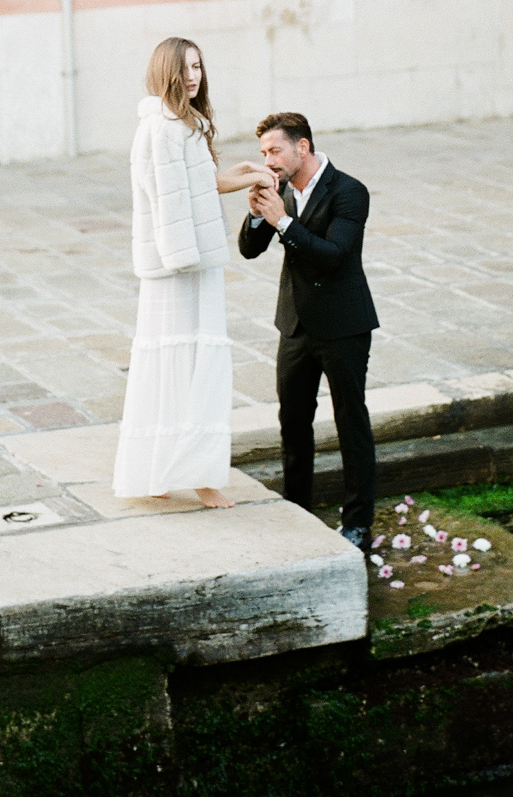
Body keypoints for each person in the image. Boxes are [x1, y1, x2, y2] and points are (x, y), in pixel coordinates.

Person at [112, 37, 272, 508]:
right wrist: (186, 257)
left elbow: (195, 187)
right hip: (180, 264)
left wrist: (240, 172)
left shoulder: (180, 125)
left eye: (198, 66)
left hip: (184, 260)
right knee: (186, 361)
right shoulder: (164, 129)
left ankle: (162, 471)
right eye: (184, 69)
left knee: (178, 361)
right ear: (165, 73)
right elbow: (172, 202)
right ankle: (196, 476)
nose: (193, 76)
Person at [238, 112, 379, 552]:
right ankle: (298, 509)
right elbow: (247, 250)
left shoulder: (350, 191)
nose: (269, 161)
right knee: (293, 423)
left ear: (303, 147)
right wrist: (258, 215)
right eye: (263, 153)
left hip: (343, 327)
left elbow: (334, 255)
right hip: (295, 326)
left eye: (275, 151)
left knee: (349, 421)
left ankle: (357, 522)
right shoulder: (279, 189)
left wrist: (282, 221)